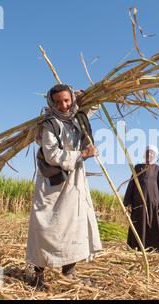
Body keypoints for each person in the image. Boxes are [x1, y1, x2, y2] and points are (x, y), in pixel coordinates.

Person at [25, 84, 102, 290]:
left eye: (67, 101)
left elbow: (95, 103)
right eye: (59, 102)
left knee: (74, 226)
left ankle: (69, 272)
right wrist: (82, 154)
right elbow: (52, 155)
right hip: (52, 183)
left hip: (74, 181)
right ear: (52, 103)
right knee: (44, 227)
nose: (64, 105)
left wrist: (86, 94)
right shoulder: (49, 124)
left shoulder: (78, 118)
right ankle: (38, 275)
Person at [123, 145, 159, 253]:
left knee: (153, 226)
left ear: (155, 156)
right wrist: (128, 202)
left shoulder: (157, 169)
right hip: (139, 205)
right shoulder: (138, 167)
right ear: (144, 154)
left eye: (152, 153)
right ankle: (138, 248)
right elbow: (131, 184)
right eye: (148, 152)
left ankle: (155, 249)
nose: (149, 154)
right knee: (139, 226)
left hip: (153, 205)